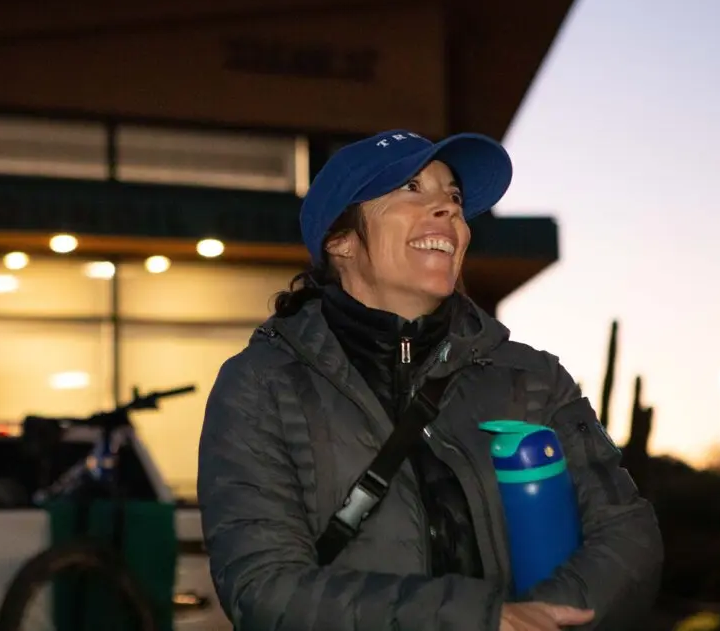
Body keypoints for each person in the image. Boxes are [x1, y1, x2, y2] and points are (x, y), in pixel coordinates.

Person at [196, 129, 662, 631]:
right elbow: (264, 589)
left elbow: (628, 533)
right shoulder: (262, 386)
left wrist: (545, 619)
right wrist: (484, 622)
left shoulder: (532, 379)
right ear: (341, 240)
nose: (448, 209)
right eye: (412, 188)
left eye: (454, 197)